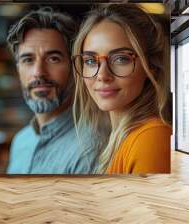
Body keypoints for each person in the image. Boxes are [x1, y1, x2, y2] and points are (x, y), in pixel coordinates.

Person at [72, 4, 172, 174]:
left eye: (120, 59)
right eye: (90, 61)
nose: (102, 75)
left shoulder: (151, 138)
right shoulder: (121, 137)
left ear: (151, 65)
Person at [6, 7, 98, 174]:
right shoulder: (20, 141)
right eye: (28, 60)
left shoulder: (90, 150)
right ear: (18, 70)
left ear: (76, 67)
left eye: (53, 58)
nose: (39, 72)